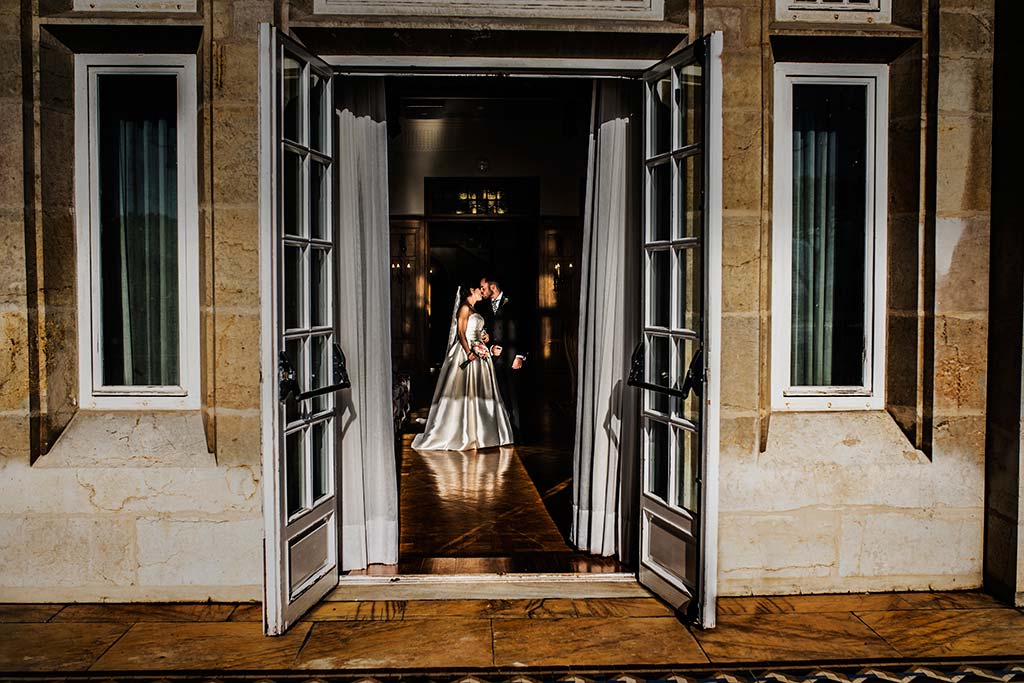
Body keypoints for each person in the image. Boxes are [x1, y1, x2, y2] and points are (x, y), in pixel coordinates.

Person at [411, 283, 514, 451]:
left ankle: (484, 431)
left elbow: (474, 331)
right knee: (466, 392)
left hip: (480, 351)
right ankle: (467, 433)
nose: (482, 291)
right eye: (479, 289)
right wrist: (468, 352)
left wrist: (484, 337)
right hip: (469, 352)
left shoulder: (473, 310)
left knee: (481, 392)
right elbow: (461, 333)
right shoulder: (465, 308)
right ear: (471, 290)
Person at [477, 277, 526, 437]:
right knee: (501, 395)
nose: (482, 291)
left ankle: (518, 433)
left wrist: (520, 355)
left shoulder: (513, 302)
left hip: (513, 357)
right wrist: (490, 348)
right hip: (495, 359)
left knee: (515, 396)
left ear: (493, 287)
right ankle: (505, 432)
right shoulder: (485, 307)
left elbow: (525, 329)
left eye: (483, 288)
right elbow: (488, 333)